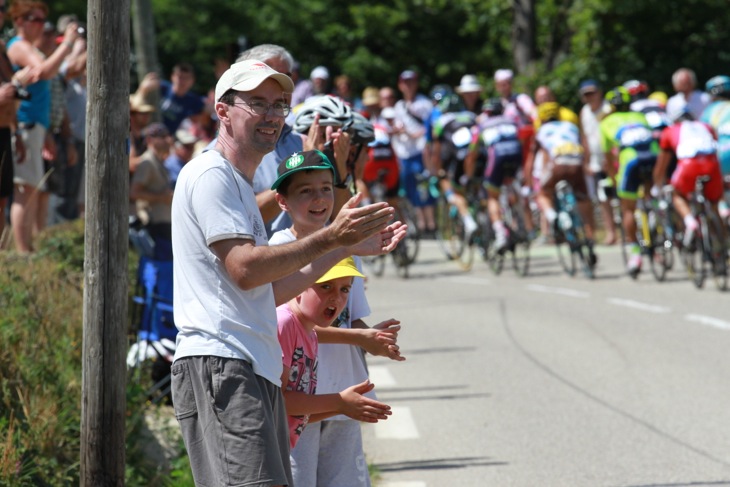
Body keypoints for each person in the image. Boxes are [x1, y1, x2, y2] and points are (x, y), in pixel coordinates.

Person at [169, 59, 405, 487]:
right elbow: (244, 268)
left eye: (280, 105)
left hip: (250, 365)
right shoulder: (210, 175)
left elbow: (270, 291)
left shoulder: (237, 183)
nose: (272, 116)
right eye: (257, 104)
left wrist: (344, 245)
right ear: (223, 111)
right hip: (223, 362)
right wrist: (331, 238)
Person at [269, 149, 404, 486]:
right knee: (300, 478)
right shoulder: (279, 248)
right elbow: (292, 323)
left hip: (343, 384)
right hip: (302, 393)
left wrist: (373, 338)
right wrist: (360, 339)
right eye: (305, 191)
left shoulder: (347, 245)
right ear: (282, 201)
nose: (319, 198)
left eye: (326, 188)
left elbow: (351, 317)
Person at [277, 256, 392, 450]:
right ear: (298, 286)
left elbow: (298, 414)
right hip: (264, 448)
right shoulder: (284, 324)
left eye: (344, 289)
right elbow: (277, 401)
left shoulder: (310, 334)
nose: (336, 297)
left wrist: (343, 407)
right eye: (326, 286)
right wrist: (338, 401)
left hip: (281, 448)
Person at [7, 0, 79, 253]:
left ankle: (27, 248)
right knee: (25, 190)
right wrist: (69, 42)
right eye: (34, 20)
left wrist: (47, 131)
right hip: (25, 125)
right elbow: (46, 72)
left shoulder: (28, 47)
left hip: (36, 126)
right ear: (19, 22)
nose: (39, 25)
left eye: (41, 20)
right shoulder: (18, 46)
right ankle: (22, 250)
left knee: (33, 190)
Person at [525, 102, 597, 265]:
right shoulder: (571, 126)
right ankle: (590, 238)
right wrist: (586, 165)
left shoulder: (541, 131)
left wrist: (529, 182)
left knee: (542, 193)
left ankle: (553, 216)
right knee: (584, 201)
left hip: (558, 163)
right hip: (577, 163)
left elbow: (534, 158)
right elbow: (585, 147)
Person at [599, 86, 658, 276]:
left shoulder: (606, 122)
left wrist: (612, 178)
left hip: (631, 160)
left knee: (628, 209)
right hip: (652, 156)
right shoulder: (640, 116)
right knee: (651, 197)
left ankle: (635, 254)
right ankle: (656, 217)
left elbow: (607, 157)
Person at [653, 106, 724, 249]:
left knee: (676, 194)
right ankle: (721, 246)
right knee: (714, 203)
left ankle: (690, 221)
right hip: (712, 164)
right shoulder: (705, 126)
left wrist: (657, 184)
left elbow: (662, 164)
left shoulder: (670, 130)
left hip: (688, 165)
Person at [467, 97, 524, 250]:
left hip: (497, 154)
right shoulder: (511, 120)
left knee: (492, 195)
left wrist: (469, 174)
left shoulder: (481, 125)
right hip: (517, 153)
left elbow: (472, 151)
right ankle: (519, 219)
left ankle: (500, 234)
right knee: (511, 183)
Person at [392, 69, 436, 236]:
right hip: (404, 153)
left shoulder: (424, 103)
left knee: (424, 188)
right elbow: (397, 127)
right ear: (400, 85)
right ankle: (419, 225)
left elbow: (429, 128)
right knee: (410, 190)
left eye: (412, 82)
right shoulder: (398, 106)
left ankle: (430, 225)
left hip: (420, 151)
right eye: (406, 82)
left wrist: (411, 134)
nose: (409, 86)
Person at [0, 0, 27, 248]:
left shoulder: (0, 48)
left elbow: (12, 90)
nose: (1, 14)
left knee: (3, 195)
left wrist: (16, 131)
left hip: (4, 128)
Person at [578, 79, 617, 245]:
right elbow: (585, 138)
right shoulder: (584, 112)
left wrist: (613, 158)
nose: (590, 97)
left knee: (622, 195)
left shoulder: (609, 109)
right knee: (603, 198)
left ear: (599, 92)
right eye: (586, 94)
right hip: (596, 160)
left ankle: (633, 233)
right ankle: (611, 233)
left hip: (613, 158)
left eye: (592, 92)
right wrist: (586, 162)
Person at [130, 122, 173, 259]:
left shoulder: (159, 161)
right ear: (150, 139)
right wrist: (160, 197)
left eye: (167, 136)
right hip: (153, 224)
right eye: (162, 136)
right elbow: (134, 193)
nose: (167, 140)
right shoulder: (147, 162)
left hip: (163, 223)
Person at [136, 62, 206, 134]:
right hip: (147, 130)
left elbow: (206, 114)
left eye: (186, 78)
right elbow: (137, 101)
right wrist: (143, 89)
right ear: (173, 76)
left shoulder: (193, 100)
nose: (182, 81)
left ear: (192, 81)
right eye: (180, 77)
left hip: (167, 137)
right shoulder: (161, 87)